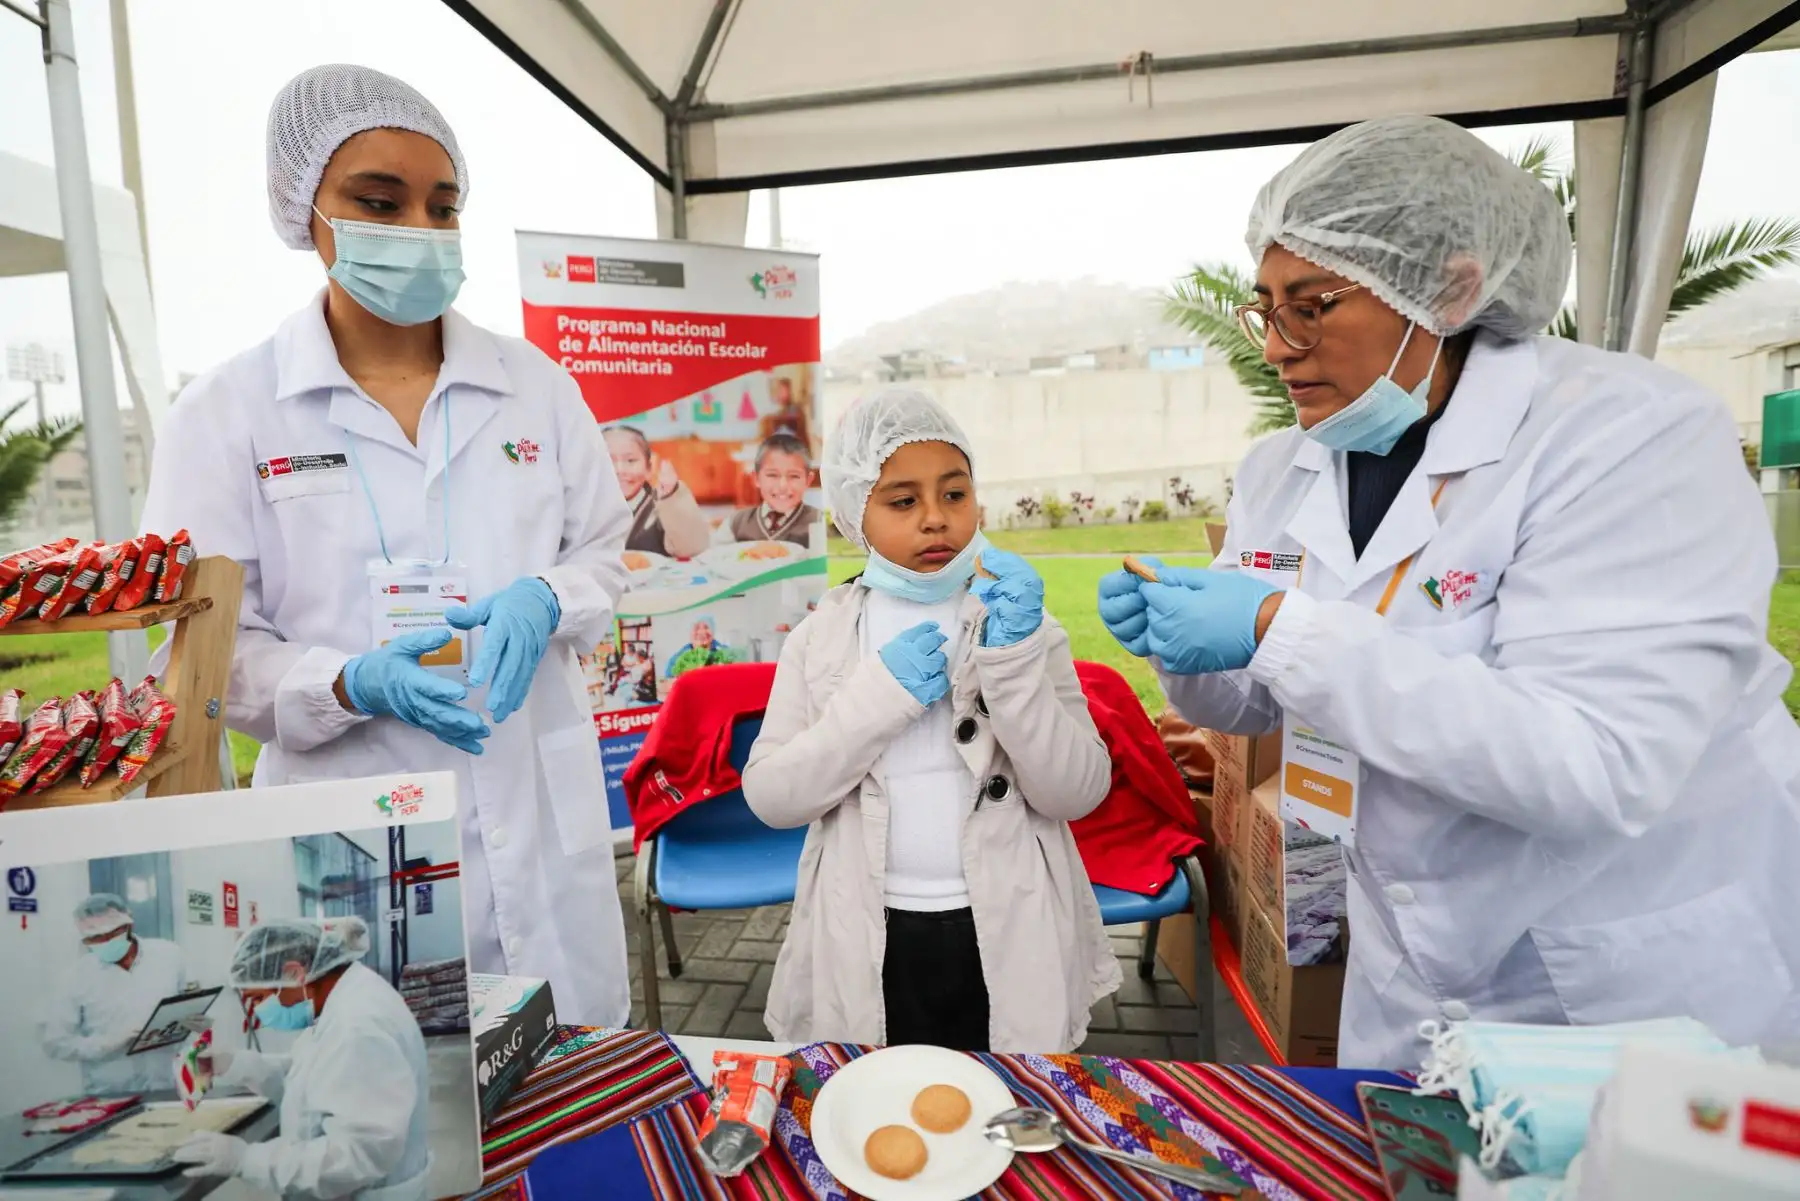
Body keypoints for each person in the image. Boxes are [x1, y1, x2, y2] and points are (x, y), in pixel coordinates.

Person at [1098, 114, 1800, 1069]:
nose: (1278, 346)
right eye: (1266, 308)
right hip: (1413, 963)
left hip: (1623, 969)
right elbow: (1257, 696)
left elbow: (1595, 761)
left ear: (1450, 287)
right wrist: (1189, 651)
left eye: (1315, 305)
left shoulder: (1625, 436)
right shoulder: (1286, 466)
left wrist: (1274, 624)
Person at [137, 65, 633, 1026]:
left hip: (535, 810)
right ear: (304, 210)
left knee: (567, 1079)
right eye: (378, 200)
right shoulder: (227, 415)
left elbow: (605, 551)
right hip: (353, 824)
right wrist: (345, 683)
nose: (419, 229)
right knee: (388, 1092)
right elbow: (202, 656)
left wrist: (549, 596)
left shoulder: (535, 386)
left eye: (443, 206)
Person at [743, 389, 1118, 1052]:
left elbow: (1077, 790)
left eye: (954, 493)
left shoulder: (1025, 627)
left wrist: (1014, 664)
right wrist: (875, 700)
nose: (935, 520)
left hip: (1006, 925)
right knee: (885, 1111)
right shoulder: (822, 639)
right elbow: (774, 796)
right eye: (902, 500)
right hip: (874, 932)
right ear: (853, 513)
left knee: (1003, 1101)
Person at [172, 918, 431, 1201]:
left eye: (258, 999)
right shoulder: (343, 1000)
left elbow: (359, 1154)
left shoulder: (357, 1026)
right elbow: (311, 1077)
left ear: (294, 973)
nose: (259, 1012)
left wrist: (247, 1160)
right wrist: (233, 1063)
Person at [41, 894, 188, 1093]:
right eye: (95, 937)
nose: (105, 941)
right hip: (110, 1093)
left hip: (167, 1084)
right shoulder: (77, 977)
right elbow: (55, 1043)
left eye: (112, 933)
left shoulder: (169, 955)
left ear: (129, 924)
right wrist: (109, 1042)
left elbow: (190, 1007)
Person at [603, 425, 711, 559]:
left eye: (630, 460)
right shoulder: (588, 507)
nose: (619, 470)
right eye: (608, 460)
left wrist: (672, 496)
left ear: (649, 467)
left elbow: (693, 547)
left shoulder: (662, 506)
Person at [714, 433, 820, 548]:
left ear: (808, 481)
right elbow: (715, 559)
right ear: (756, 479)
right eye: (772, 475)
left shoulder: (820, 522)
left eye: (794, 476)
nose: (783, 486)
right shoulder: (735, 523)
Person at [664, 615, 741, 676]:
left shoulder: (725, 652)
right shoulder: (678, 658)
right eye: (697, 628)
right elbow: (669, 682)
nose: (702, 632)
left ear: (713, 631)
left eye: (706, 627)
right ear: (690, 632)